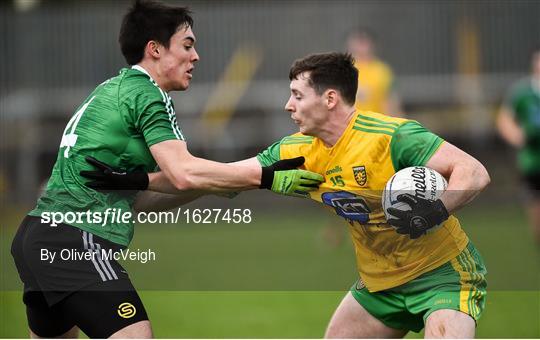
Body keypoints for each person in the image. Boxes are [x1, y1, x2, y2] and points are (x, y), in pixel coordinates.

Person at [91, 52, 491, 338]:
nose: (287, 105)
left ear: (329, 99)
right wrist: (136, 182)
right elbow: (221, 178)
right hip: (379, 283)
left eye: (297, 95)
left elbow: (474, 172)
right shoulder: (296, 151)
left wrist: (433, 209)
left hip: (442, 275)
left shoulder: (392, 136)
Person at [10, 1, 322, 338]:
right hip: (75, 239)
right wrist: (264, 176)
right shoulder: (147, 94)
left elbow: (141, 197)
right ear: (154, 50)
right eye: (187, 45)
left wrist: (218, 183)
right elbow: (183, 173)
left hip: (38, 237)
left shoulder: (113, 89)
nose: (196, 56)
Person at [496, 45, 540, 245]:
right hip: (533, 159)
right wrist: (518, 137)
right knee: (534, 203)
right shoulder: (522, 92)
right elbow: (504, 119)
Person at [346, 27, 403, 117]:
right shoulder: (346, 69)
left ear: (372, 45)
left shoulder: (382, 70)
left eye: (364, 42)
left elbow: (391, 100)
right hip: (352, 125)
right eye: (358, 42)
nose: (360, 47)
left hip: (377, 124)